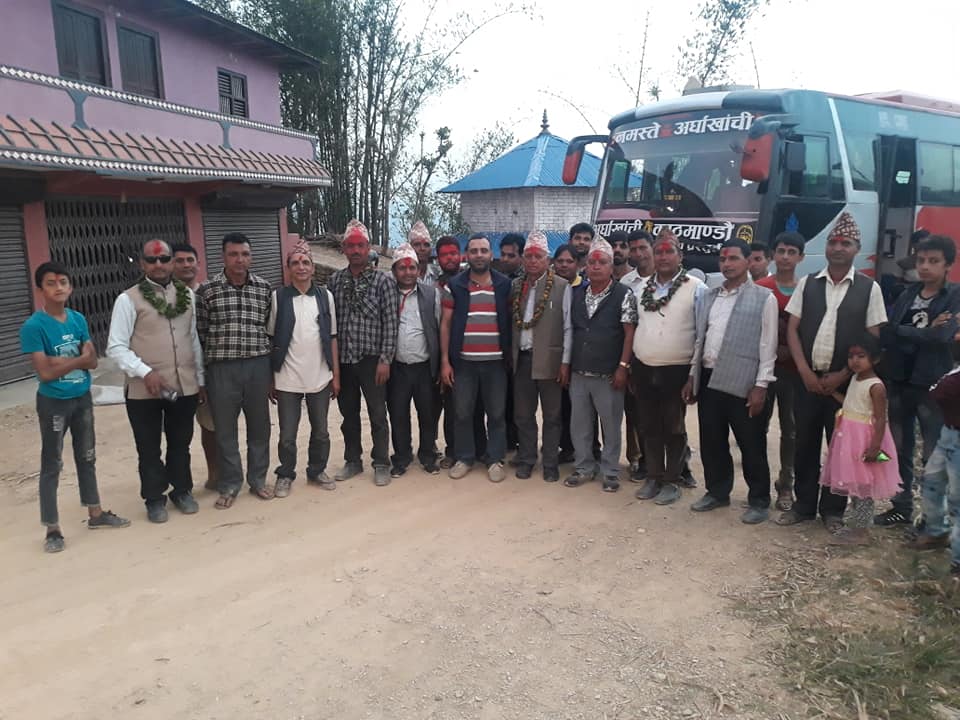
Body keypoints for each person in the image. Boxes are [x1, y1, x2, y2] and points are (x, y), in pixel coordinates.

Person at [778, 212, 887, 530]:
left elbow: (873, 339)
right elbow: (792, 329)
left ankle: (833, 511)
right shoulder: (808, 283)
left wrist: (842, 375)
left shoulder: (869, 288)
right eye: (833, 242)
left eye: (846, 243)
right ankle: (803, 507)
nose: (838, 248)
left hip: (846, 386)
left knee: (840, 448)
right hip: (807, 381)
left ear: (857, 249)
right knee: (804, 444)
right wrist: (804, 371)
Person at [20, 262, 130, 552]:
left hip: (82, 398)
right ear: (40, 289)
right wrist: (77, 360)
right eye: (51, 283)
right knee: (52, 463)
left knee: (87, 456)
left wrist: (62, 361)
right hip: (53, 402)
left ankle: (95, 512)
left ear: (70, 287)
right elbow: (45, 373)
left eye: (63, 282)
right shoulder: (34, 327)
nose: (58, 287)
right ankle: (52, 528)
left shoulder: (78, 319)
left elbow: (92, 361)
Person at [107, 239, 204, 522]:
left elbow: (193, 339)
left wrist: (199, 379)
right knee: (148, 447)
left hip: (183, 385)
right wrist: (144, 372)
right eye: (152, 260)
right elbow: (116, 346)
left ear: (172, 262)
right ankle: (154, 498)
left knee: (180, 443)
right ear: (142, 264)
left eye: (164, 259)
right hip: (143, 390)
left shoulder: (187, 296)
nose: (159, 264)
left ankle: (182, 491)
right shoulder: (128, 299)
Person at [683, 239, 778, 524]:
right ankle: (717, 492)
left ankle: (759, 499)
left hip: (744, 380)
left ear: (748, 261)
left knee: (751, 442)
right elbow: (700, 339)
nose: (727, 264)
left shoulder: (764, 298)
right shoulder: (710, 296)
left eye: (734, 258)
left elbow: (768, 345)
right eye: (723, 259)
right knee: (712, 440)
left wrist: (761, 385)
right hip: (709, 376)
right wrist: (692, 375)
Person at [876, 235, 959, 527]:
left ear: (948, 264)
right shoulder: (908, 293)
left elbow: (942, 337)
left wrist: (905, 331)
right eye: (921, 260)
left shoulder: (954, 296)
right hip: (899, 380)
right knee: (899, 448)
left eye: (933, 261)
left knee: (934, 455)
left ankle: (933, 520)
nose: (925, 266)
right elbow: (886, 331)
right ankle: (901, 508)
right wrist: (922, 332)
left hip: (931, 386)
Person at [196, 232, 275, 509]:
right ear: (223, 257)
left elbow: (269, 329)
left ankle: (258, 480)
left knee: (259, 427)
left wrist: (270, 374)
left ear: (251, 257)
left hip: (257, 366)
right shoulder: (207, 290)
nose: (239, 259)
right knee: (225, 430)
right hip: (222, 368)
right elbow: (201, 333)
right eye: (233, 254)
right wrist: (203, 377)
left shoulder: (264, 289)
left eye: (244, 254)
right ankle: (230, 484)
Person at [633, 230, 706, 505]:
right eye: (659, 252)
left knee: (674, 428)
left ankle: (673, 480)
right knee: (648, 425)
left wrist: (693, 376)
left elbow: (702, 335)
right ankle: (653, 476)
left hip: (677, 370)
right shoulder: (640, 288)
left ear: (680, 256)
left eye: (669, 251)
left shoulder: (696, 287)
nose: (663, 257)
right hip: (644, 367)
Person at [328, 220, 399, 487]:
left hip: (373, 361)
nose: (356, 250)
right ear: (343, 249)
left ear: (369, 248)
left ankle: (381, 462)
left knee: (378, 414)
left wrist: (385, 360)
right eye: (350, 246)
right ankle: (352, 461)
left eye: (360, 245)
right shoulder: (335, 281)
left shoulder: (383, 281)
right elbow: (331, 325)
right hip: (345, 360)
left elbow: (391, 323)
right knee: (349, 415)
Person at [564, 237, 638, 492]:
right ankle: (584, 467)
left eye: (602, 262)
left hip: (609, 374)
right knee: (580, 425)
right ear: (586, 266)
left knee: (611, 425)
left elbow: (629, 334)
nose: (596, 266)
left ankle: (610, 471)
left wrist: (623, 367)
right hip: (579, 372)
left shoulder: (623, 294)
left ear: (611, 266)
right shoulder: (577, 293)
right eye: (592, 262)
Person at [267, 241, 340, 497]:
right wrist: (271, 378)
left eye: (305, 262)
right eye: (295, 263)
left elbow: (332, 337)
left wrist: (336, 376)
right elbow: (271, 338)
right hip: (287, 377)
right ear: (288, 268)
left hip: (320, 375)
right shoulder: (278, 297)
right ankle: (285, 474)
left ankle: (316, 470)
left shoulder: (325, 297)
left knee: (321, 431)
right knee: (287, 434)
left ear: (312, 268)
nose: (301, 267)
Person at [440, 233, 513, 482]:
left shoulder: (504, 285)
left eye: (483, 250)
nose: (479, 255)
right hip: (464, 364)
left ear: (491, 254)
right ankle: (465, 457)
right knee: (462, 413)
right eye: (474, 251)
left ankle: (495, 459)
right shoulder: (455, 286)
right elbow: (445, 324)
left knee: (496, 414)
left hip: (496, 363)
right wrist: (445, 361)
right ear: (467, 255)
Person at [819, 335, 899, 545]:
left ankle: (862, 532)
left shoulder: (876, 386)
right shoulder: (855, 378)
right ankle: (858, 526)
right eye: (851, 356)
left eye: (861, 356)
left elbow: (881, 418)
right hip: (848, 438)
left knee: (864, 486)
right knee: (855, 485)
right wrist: (833, 393)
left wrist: (875, 446)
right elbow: (851, 403)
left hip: (864, 440)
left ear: (875, 359)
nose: (855, 361)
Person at [510, 231, 571, 483]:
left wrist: (565, 362)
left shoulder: (562, 286)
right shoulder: (516, 285)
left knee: (552, 416)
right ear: (523, 259)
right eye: (529, 256)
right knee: (523, 415)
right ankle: (526, 459)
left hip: (550, 361)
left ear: (548, 260)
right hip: (522, 360)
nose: (533, 261)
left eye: (538, 256)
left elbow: (568, 328)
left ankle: (550, 463)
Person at [756, 231, 805, 510]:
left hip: (793, 371)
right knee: (757, 427)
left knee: (791, 430)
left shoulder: (806, 290)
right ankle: (759, 485)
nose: (785, 257)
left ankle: (786, 484)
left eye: (791, 252)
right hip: (763, 369)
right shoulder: (761, 287)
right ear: (773, 255)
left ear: (800, 257)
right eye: (781, 251)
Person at [387, 242, 441, 479]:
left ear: (419, 270)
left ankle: (428, 455)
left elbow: (438, 327)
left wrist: (440, 364)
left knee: (427, 413)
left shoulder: (431, 294)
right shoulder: (388, 294)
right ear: (394, 271)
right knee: (398, 414)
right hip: (397, 368)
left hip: (424, 368)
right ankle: (401, 458)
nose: (407, 272)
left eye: (412, 268)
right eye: (402, 268)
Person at [171, 243, 220, 492]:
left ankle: (215, 475)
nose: (186, 265)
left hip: (207, 373)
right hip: (175, 374)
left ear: (198, 264)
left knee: (210, 426)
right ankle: (181, 484)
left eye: (190, 260)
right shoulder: (164, 297)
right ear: (171, 265)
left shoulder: (208, 293)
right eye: (179, 261)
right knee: (178, 433)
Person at [906, 366, 960, 577]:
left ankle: (957, 561)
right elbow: (938, 392)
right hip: (949, 433)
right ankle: (937, 532)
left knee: (957, 500)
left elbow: (940, 391)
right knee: (931, 481)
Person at [434, 235, 474, 468]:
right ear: (437, 258)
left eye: (453, 253)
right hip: (442, 354)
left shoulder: (471, 281)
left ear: (461, 255)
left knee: (470, 406)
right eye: (444, 255)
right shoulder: (434, 286)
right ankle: (452, 450)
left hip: (467, 352)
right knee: (450, 406)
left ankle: (475, 449)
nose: (449, 258)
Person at [621, 230, 654, 481]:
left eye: (643, 247)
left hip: (666, 358)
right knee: (637, 414)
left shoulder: (676, 281)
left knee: (669, 417)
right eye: (633, 249)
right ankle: (642, 461)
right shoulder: (626, 283)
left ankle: (679, 467)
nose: (638, 253)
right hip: (635, 359)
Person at [553, 243, 583, 464]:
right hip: (554, 357)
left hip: (579, 358)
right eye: (560, 261)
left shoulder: (585, 288)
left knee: (581, 409)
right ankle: (565, 447)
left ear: (578, 264)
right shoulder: (549, 287)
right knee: (560, 406)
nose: (564, 265)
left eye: (569, 261)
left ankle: (589, 449)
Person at [408, 220, 441, 287]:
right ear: (409, 248)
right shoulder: (400, 276)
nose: (422, 248)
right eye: (417, 244)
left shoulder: (438, 274)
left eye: (426, 245)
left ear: (430, 250)